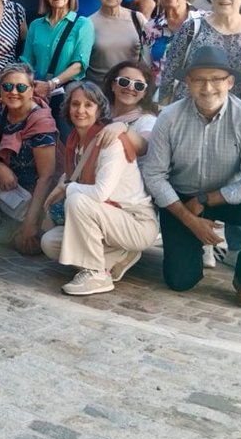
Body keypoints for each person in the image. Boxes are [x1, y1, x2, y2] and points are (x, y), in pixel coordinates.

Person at [140, 46, 241, 309]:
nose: (208, 88)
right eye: (199, 80)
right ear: (188, 83)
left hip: (226, 196)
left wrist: (206, 200)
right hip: (181, 199)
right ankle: (196, 247)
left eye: (216, 79)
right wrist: (190, 220)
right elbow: (154, 174)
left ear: (229, 82)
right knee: (180, 281)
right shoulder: (169, 118)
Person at [40, 81, 158, 296]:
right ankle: (120, 255)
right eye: (75, 104)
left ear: (99, 109)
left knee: (77, 200)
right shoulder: (75, 141)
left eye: (88, 105)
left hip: (134, 221)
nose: (81, 111)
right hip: (106, 220)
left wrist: (67, 188)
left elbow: (99, 193)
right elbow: (76, 173)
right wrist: (65, 185)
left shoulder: (110, 141)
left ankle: (97, 274)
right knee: (50, 243)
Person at [0, 63, 60, 254]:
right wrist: (0, 169)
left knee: (29, 248)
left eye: (21, 87)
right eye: (7, 87)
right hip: (6, 185)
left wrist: (30, 223)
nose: (13, 92)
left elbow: (46, 177)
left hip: (34, 197)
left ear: (32, 90)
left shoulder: (41, 122)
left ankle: (21, 226)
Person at [22, 0, 95, 131]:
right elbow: (26, 60)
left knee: (64, 143)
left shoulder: (83, 24)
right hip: (37, 94)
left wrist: (51, 85)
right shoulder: (36, 25)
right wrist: (32, 84)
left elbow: (79, 64)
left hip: (66, 94)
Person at [141, 0, 204, 92]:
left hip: (198, 100)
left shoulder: (207, 23)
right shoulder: (150, 28)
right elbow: (145, 70)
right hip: (160, 102)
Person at [85, 0, 148, 84]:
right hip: (98, 96)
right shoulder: (88, 24)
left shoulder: (138, 19)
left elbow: (148, 61)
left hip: (130, 93)